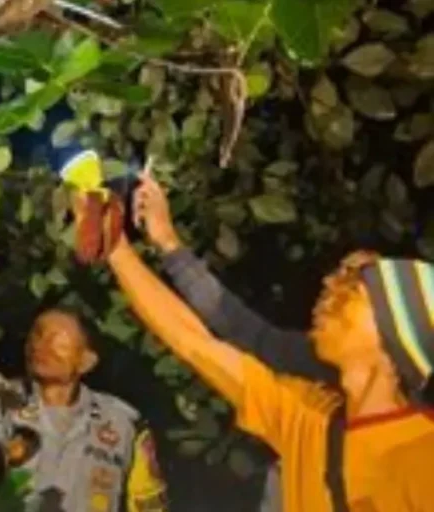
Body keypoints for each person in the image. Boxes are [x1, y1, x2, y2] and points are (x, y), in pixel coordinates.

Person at [103, 174, 434, 511]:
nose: (328, 286)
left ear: (390, 331)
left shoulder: (424, 457)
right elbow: (193, 342)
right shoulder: (306, 416)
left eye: (351, 288)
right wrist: (115, 248)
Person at [139, 172, 340, 512]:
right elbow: (221, 329)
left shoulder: (415, 442)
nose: (331, 287)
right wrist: (160, 243)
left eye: (353, 287)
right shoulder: (308, 393)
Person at [0, 293, 168, 511]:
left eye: (57, 342)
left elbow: (150, 506)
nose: (41, 347)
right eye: (37, 335)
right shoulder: (6, 399)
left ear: (86, 361)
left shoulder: (123, 423)